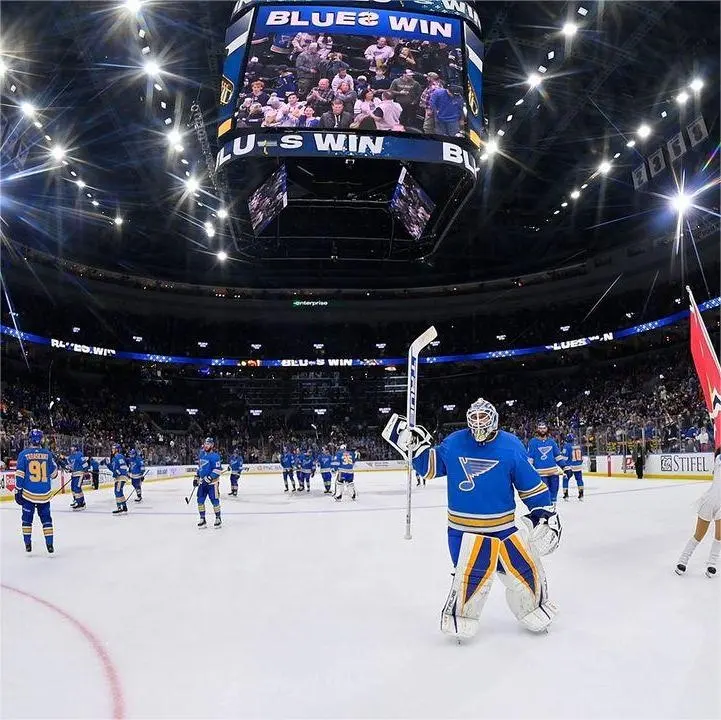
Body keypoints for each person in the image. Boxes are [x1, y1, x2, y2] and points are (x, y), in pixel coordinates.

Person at [383, 398, 561, 639]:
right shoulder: (455, 442)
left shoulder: (510, 445)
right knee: (471, 577)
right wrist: (413, 447)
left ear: (494, 418)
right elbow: (430, 467)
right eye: (474, 418)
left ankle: (532, 607)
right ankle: (462, 616)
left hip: (504, 528)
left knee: (524, 572)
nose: (478, 423)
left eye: (483, 417)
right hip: (463, 530)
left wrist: (544, 513)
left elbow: (529, 483)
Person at [676, 448, 721, 577]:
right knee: (699, 535)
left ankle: (711, 564)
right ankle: (683, 560)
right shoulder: (719, 460)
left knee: (719, 536)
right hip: (709, 501)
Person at [14, 428, 58, 553]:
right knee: (47, 520)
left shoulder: (23, 454)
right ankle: (50, 545)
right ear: (41, 439)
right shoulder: (47, 454)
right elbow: (54, 474)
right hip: (44, 495)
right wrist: (55, 463)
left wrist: (18, 490)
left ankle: (28, 545)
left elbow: (20, 474)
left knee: (27, 520)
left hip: (28, 494)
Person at [527, 422, 565, 507]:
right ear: (537, 429)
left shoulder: (551, 442)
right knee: (545, 493)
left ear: (547, 429)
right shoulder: (533, 442)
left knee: (554, 492)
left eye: (544, 428)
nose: (542, 430)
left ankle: (553, 508)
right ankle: (546, 509)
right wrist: (528, 471)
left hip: (553, 473)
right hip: (541, 474)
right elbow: (530, 458)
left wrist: (564, 466)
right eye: (540, 428)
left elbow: (557, 456)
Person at [194, 437, 222, 528]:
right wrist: (196, 477)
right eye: (205, 444)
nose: (206, 446)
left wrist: (209, 478)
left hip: (212, 484)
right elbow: (200, 468)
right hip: (202, 483)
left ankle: (218, 518)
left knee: (214, 501)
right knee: (200, 500)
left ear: (212, 445)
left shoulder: (215, 456)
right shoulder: (201, 454)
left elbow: (217, 470)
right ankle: (202, 519)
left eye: (208, 444)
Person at [561, 433, 585, 501]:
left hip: (569, 466)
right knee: (579, 479)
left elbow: (564, 457)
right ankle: (581, 494)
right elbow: (582, 456)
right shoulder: (579, 446)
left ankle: (566, 495)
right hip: (578, 466)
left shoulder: (566, 446)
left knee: (565, 479)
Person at [109, 442, 130, 514]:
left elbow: (120, 468)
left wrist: (116, 473)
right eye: (112, 448)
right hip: (120, 477)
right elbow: (114, 468)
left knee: (117, 491)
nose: (112, 449)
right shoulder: (118, 457)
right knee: (119, 491)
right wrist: (108, 465)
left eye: (113, 448)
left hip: (120, 477)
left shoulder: (117, 457)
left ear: (117, 449)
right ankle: (124, 507)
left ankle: (119, 508)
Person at [67, 443, 88, 510]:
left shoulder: (79, 455)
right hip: (74, 474)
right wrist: (69, 469)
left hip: (79, 474)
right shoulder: (70, 457)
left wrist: (85, 469)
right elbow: (70, 466)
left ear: (75, 448)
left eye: (72, 447)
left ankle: (81, 504)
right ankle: (77, 500)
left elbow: (85, 464)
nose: (71, 448)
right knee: (73, 488)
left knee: (77, 488)